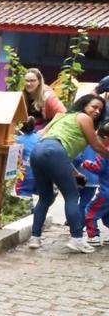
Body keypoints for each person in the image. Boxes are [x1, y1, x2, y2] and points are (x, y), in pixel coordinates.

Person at [28, 94, 109, 252]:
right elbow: (97, 146)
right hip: (54, 152)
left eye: (100, 109)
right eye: (94, 106)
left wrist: (76, 174)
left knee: (45, 197)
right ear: (84, 105)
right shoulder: (84, 118)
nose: (97, 111)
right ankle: (77, 238)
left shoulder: (61, 117)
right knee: (72, 196)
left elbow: (53, 146)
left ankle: (35, 238)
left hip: (38, 151)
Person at [80, 123, 109, 246]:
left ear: (105, 138)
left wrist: (86, 163)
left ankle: (93, 236)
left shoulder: (103, 152)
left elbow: (98, 167)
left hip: (105, 192)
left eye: (98, 139)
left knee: (90, 212)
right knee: (107, 214)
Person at [14, 117, 40, 197]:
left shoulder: (17, 140)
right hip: (39, 173)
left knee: (23, 196)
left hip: (25, 173)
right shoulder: (39, 138)